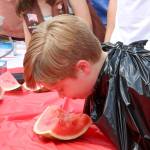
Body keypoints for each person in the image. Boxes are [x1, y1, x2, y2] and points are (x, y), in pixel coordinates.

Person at [23, 15, 150, 150]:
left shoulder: (138, 85)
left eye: (60, 89)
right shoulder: (101, 66)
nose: (60, 96)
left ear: (83, 68)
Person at [16, 0, 93, 45]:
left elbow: (87, 32)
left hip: (77, 56)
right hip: (47, 64)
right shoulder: (25, 5)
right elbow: (30, 45)